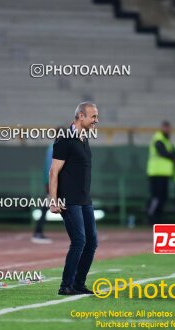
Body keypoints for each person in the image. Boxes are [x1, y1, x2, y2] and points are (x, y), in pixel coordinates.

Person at [49, 102, 99, 296]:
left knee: (92, 242)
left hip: (85, 200)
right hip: (68, 200)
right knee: (79, 241)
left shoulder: (84, 138)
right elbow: (54, 172)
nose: (96, 120)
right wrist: (53, 200)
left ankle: (79, 283)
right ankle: (65, 285)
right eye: (93, 116)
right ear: (80, 116)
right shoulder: (65, 139)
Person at [32, 127, 65, 244]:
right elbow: (49, 168)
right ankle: (37, 232)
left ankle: (38, 231)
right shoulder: (54, 148)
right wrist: (49, 184)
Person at [147, 121, 175, 225]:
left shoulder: (166, 140)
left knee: (163, 197)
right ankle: (151, 217)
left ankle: (157, 218)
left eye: (168, 128)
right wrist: (173, 157)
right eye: (165, 128)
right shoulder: (158, 138)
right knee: (157, 197)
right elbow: (162, 152)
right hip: (156, 172)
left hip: (164, 173)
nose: (167, 130)